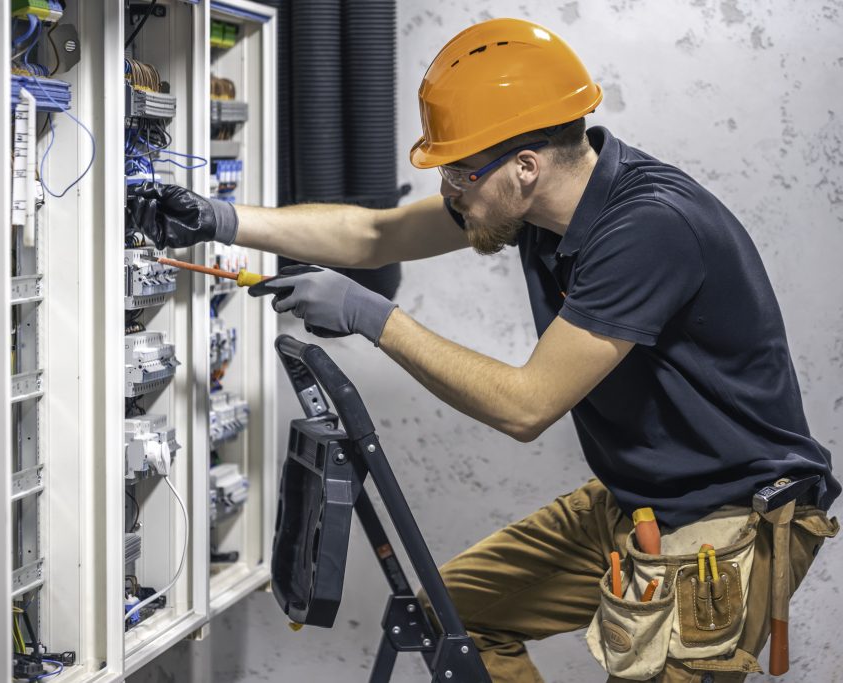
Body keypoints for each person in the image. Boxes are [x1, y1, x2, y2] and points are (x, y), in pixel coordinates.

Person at [128, 17, 840, 683]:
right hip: (641, 496)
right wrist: (221, 219)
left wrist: (370, 314)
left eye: (459, 175)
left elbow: (526, 405)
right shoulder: (531, 203)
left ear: (524, 166)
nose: (449, 192)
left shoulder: (649, 229)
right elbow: (374, 235)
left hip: (731, 519)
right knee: (452, 613)